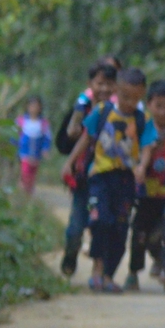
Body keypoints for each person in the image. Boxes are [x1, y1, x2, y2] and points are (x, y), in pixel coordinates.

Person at [70, 65, 150, 294]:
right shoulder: (103, 111)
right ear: (116, 89)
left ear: (142, 95)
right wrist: (71, 162)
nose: (129, 102)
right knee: (101, 221)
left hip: (126, 180)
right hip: (101, 177)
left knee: (120, 228)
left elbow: (146, 145)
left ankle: (107, 275)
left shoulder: (142, 119)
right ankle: (97, 269)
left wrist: (142, 166)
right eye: (125, 96)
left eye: (135, 98)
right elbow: (87, 138)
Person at [55, 58, 120, 278]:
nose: (104, 89)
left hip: (107, 178)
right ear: (90, 83)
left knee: (101, 225)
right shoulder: (81, 106)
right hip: (83, 178)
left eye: (109, 84)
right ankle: (71, 254)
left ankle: (98, 271)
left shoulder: (120, 111)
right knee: (76, 226)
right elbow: (71, 135)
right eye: (99, 83)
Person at [127, 80, 165, 292]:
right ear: (149, 105)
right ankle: (133, 272)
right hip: (146, 194)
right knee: (140, 233)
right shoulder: (142, 130)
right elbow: (135, 156)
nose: (163, 111)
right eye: (158, 106)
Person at [15, 95, 54, 196]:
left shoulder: (43, 123)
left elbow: (47, 138)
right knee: (24, 172)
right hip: (23, 152)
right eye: (31, 106)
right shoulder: (21, 121)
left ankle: (28, 193)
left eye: (36, 106)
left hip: (36, 154)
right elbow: (14, 135)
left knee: (32, 174)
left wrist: (45, 149)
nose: (34, 108)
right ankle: (22, 192)